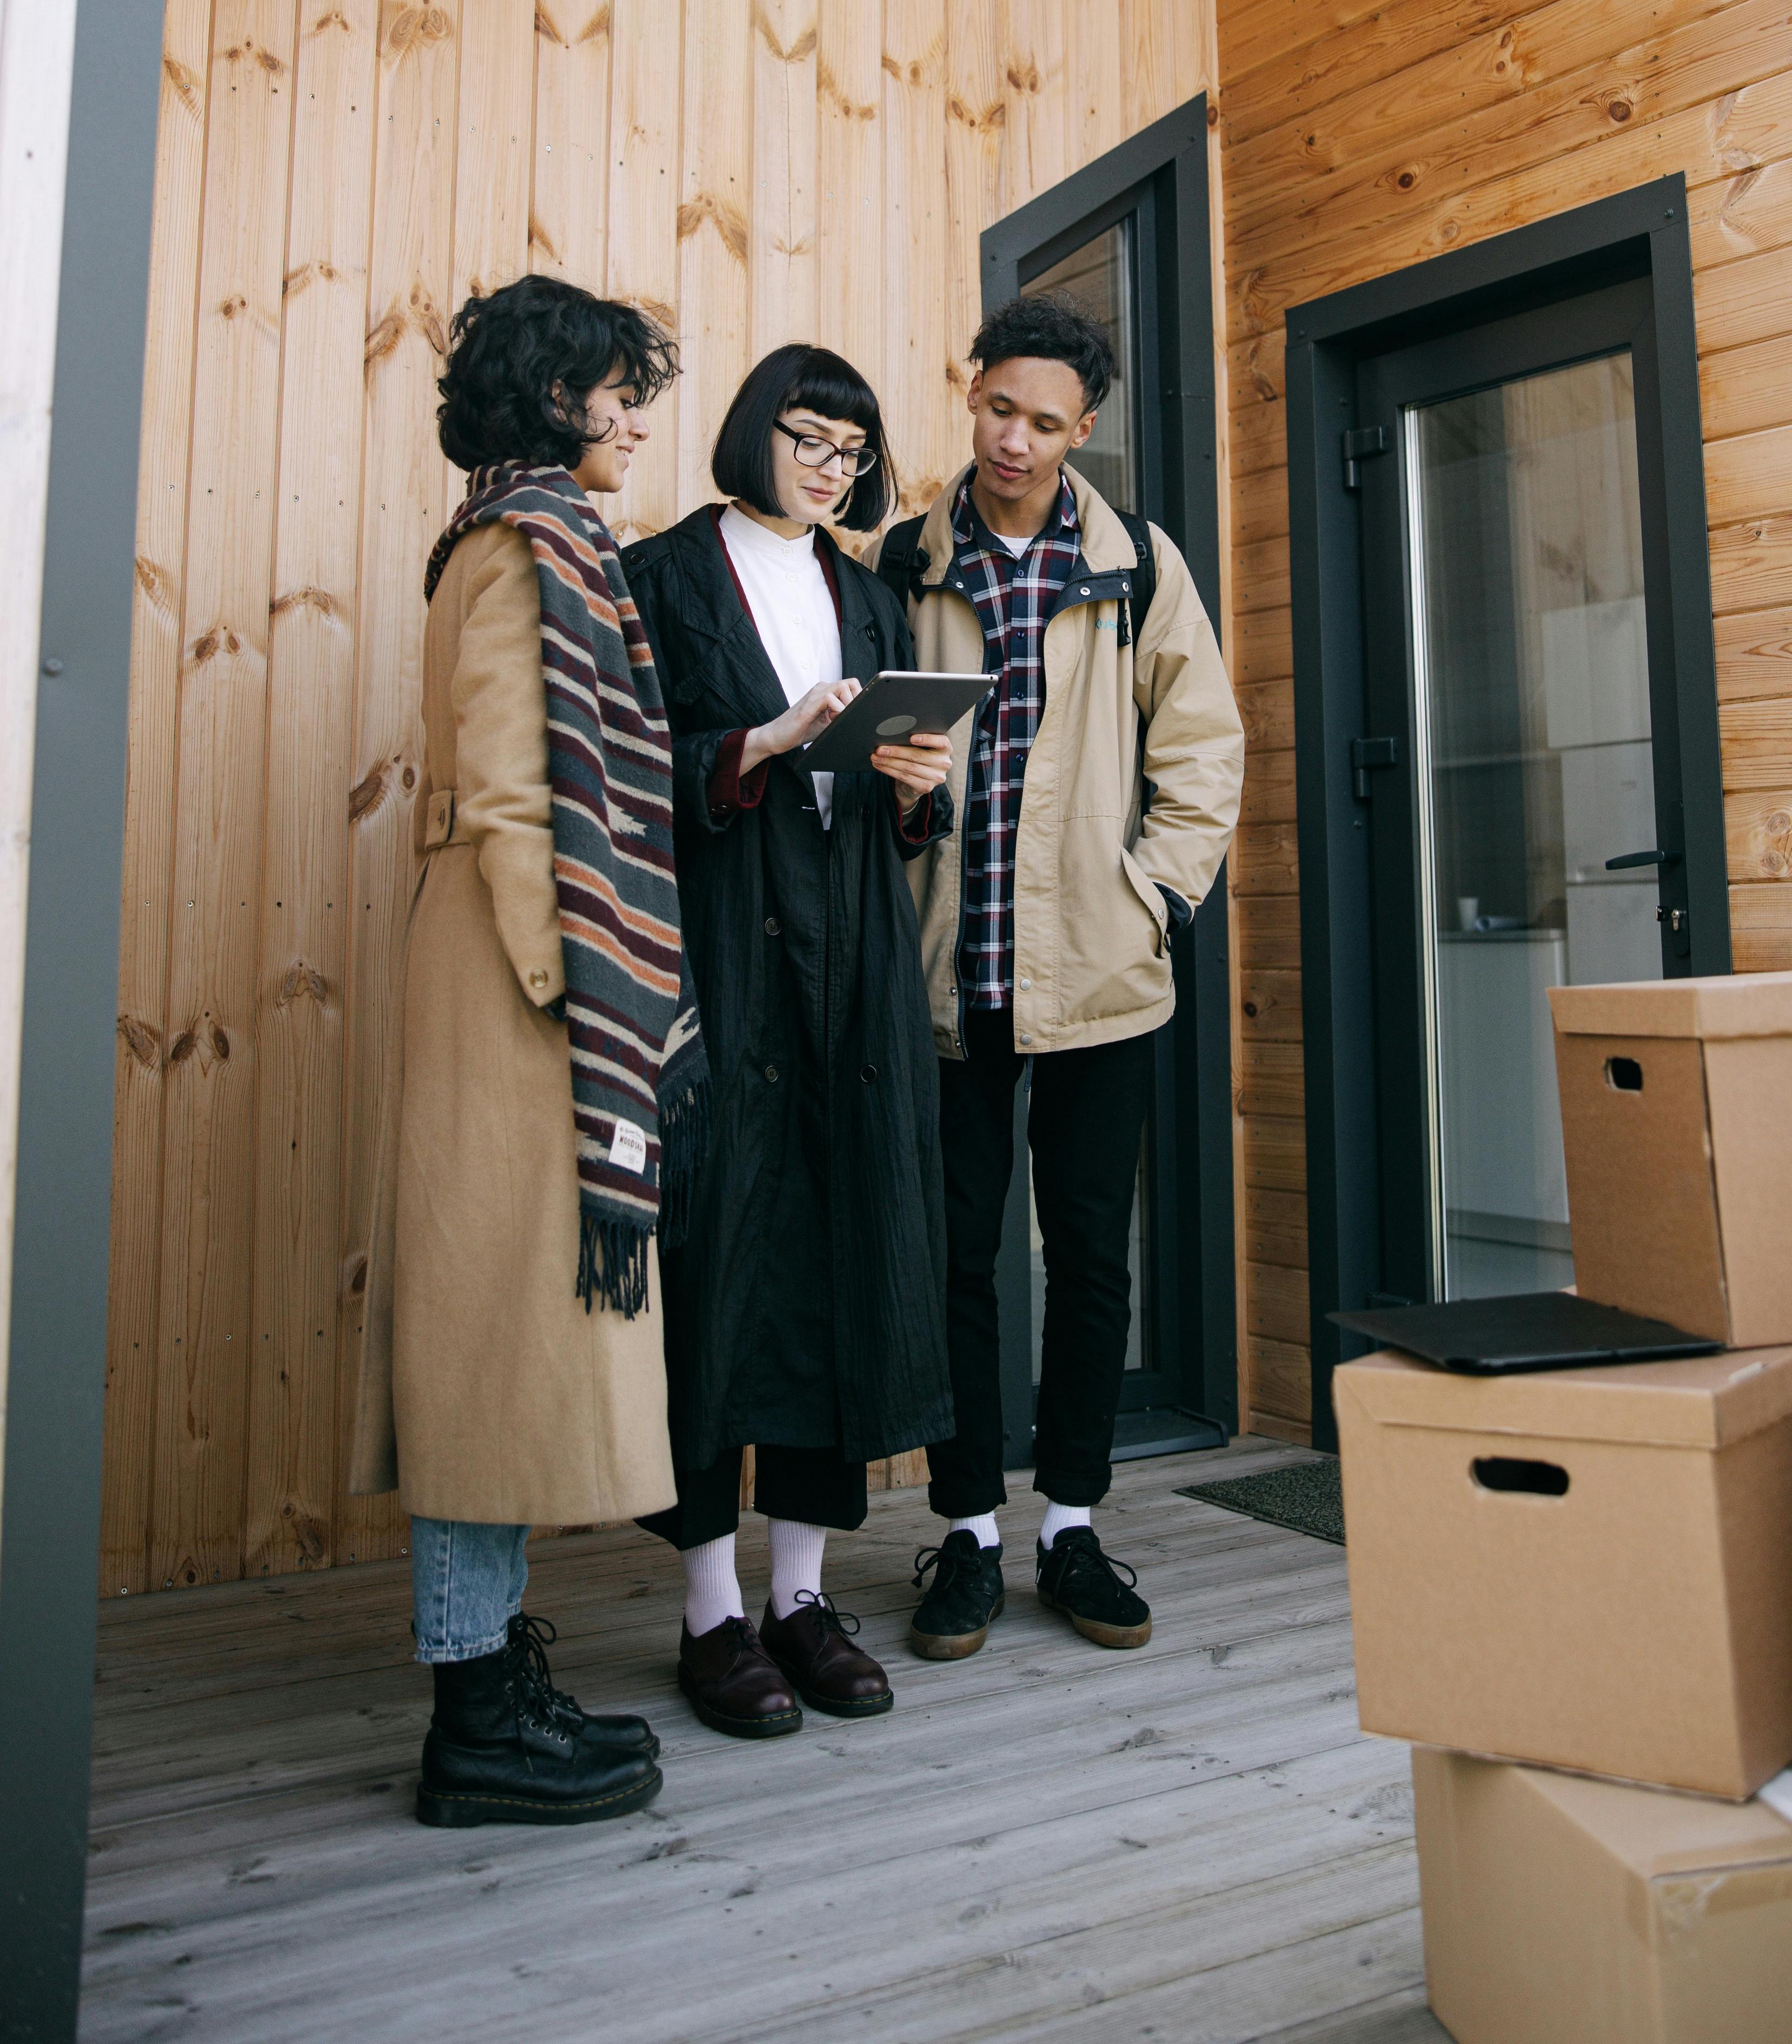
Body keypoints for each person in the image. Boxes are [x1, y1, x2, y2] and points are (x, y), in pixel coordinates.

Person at [350, 272, 698, 1828]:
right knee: (486, 1352)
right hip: (518, 986)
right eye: (617, 386)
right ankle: (475, 1722)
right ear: (553, 396)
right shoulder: (521, 549)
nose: (637, 413)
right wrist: (586, 995)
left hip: (517, 977)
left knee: (490, 1348)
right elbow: (507, 798)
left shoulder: (538, 540)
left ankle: (489, 1682)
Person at [885, 293, 1244, 1661]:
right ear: (969, 394)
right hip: (947, 973)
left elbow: (1204, 750)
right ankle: (967, 1533)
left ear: (1082, 430)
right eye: (996, 409)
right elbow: (875, 754)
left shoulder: (1140, 565)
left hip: (1102, 977)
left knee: (1092, 1260)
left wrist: (1153, 896)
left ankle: (1074, 1526)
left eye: (1045, 422)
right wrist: (906, 819)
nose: (1014, 440)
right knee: (955, 1263)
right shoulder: (900, 561)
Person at [621, 345, 954, 1739]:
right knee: (715, 1271)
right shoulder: (663, 577)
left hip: (856, 972)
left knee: (841, 1254)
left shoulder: (870, 595)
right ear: (754, 435)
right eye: (807, 439)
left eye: (851, 451)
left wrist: (917, 784)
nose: (829, 468)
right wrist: (755, 745)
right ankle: (709, 1615)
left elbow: (899, 811)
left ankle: (802, 1600)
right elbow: (627, 767)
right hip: (722, 961)